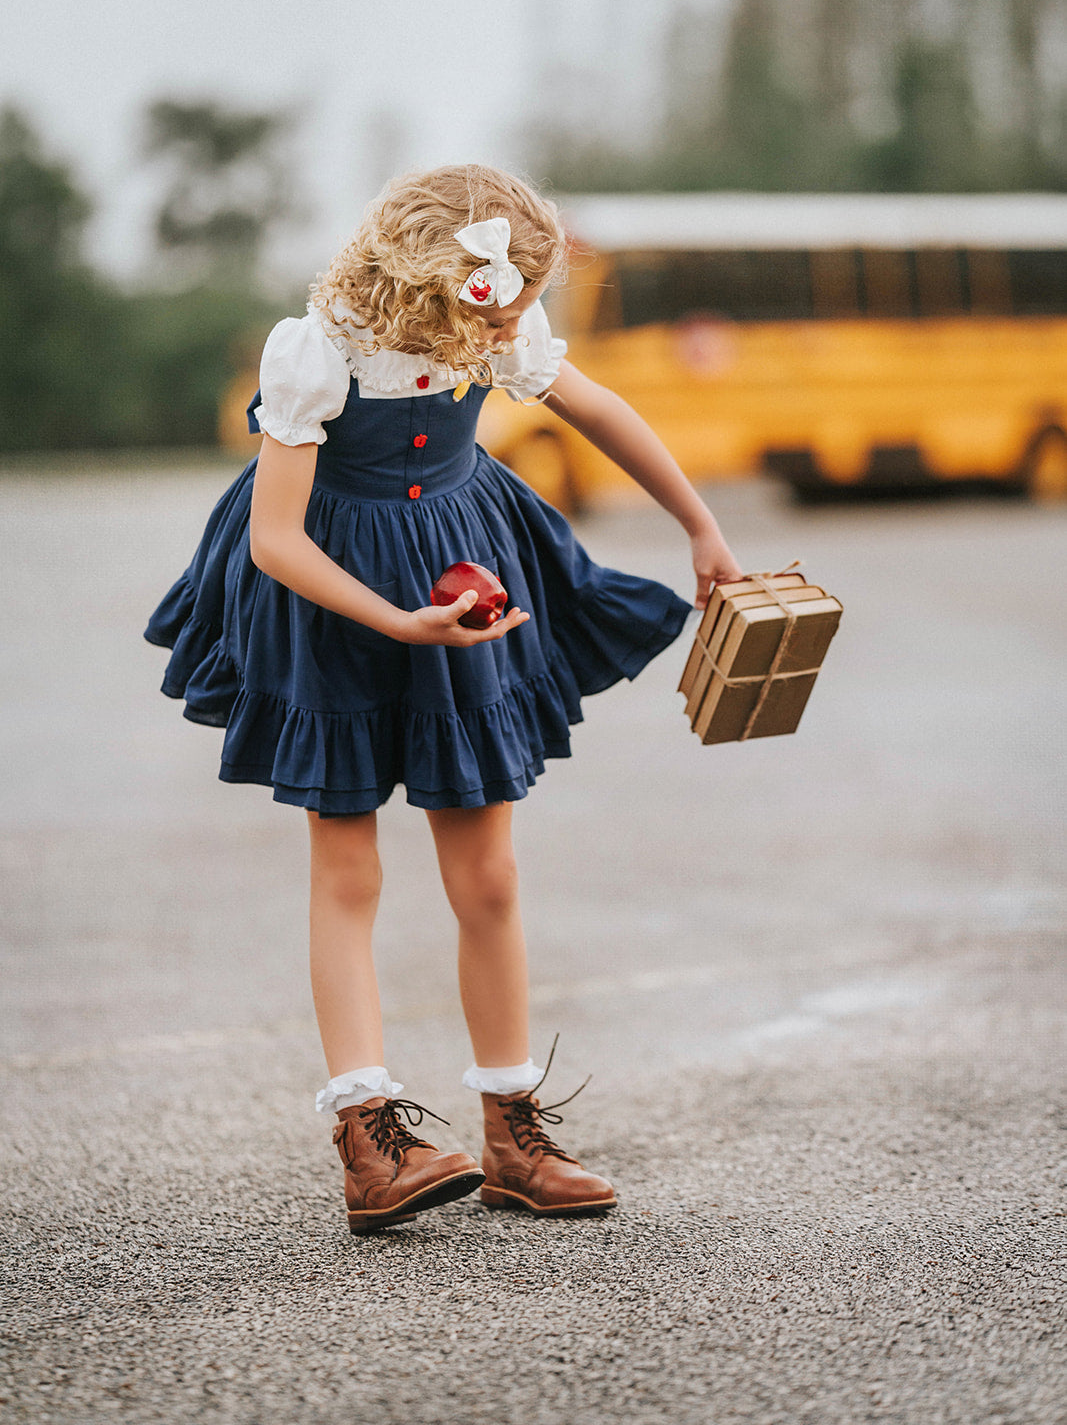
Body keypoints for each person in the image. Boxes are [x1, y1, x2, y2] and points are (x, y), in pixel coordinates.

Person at [146, 164, 743, 1235]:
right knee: (348, 867)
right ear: (436, 283)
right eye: (506, 296)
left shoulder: (499, 330)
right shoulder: (318, 348)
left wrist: (698, 525)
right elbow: (272, 539)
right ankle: (369, 1139)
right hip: (329, 590)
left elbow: (594, 404)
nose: (520, 319)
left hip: (459, 560)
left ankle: (511, 1132)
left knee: (491, 873)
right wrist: (395, 621)